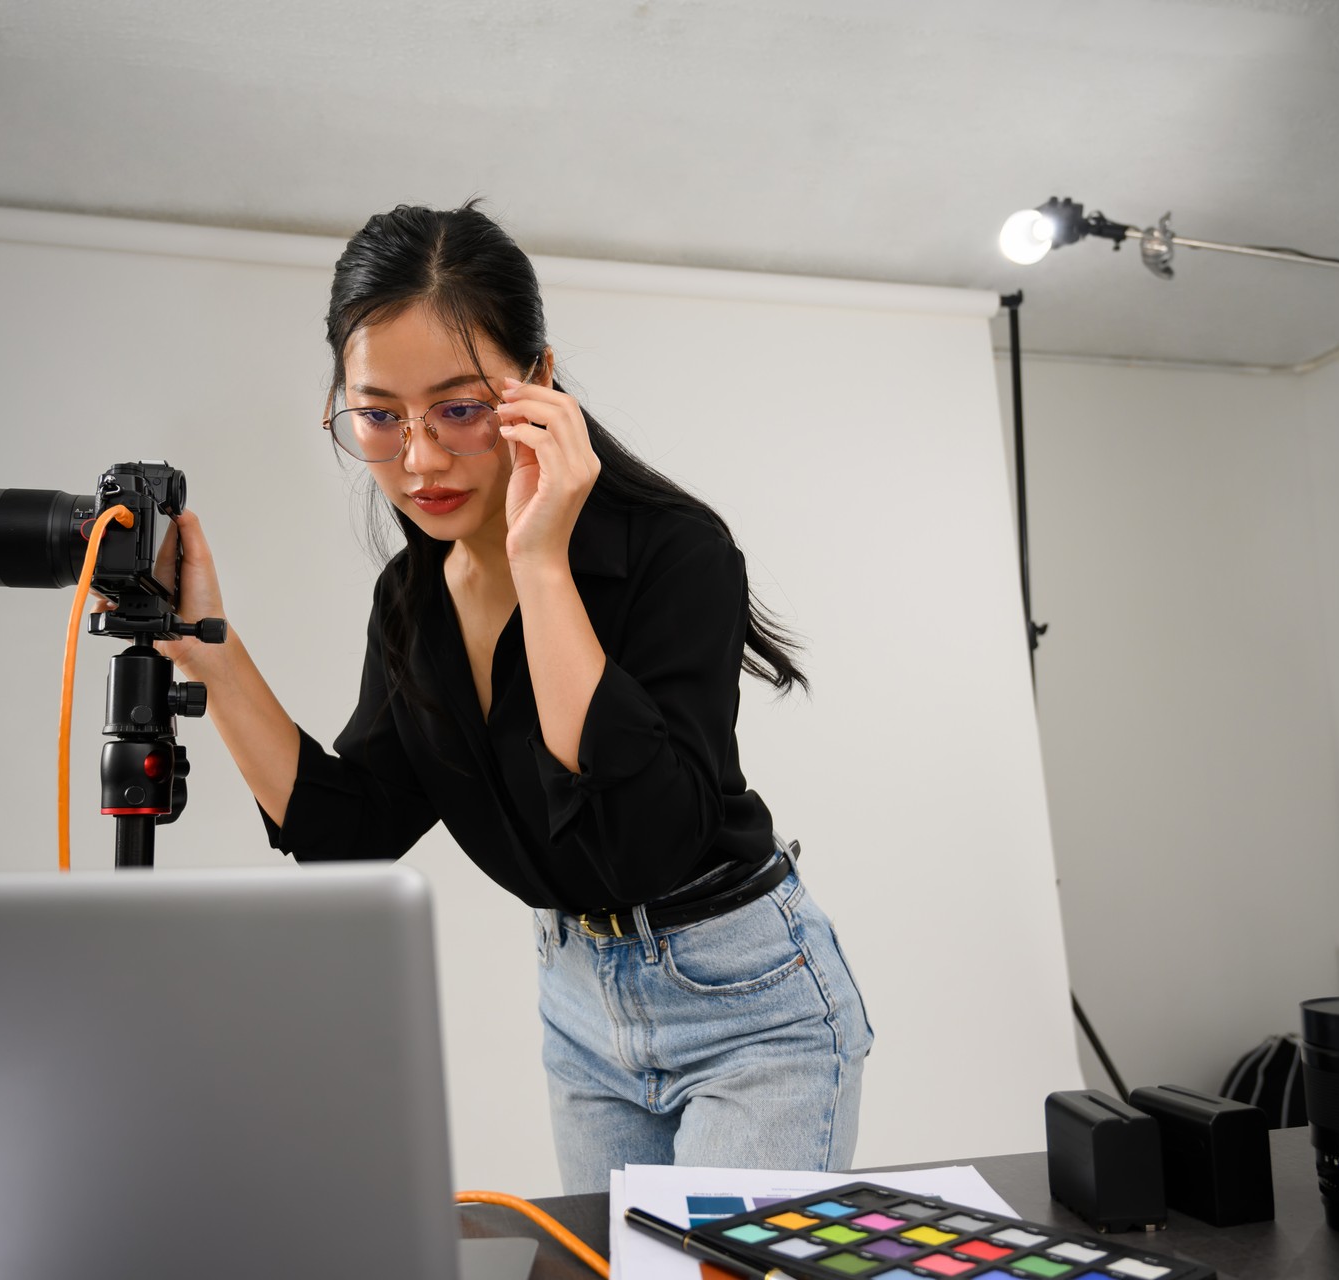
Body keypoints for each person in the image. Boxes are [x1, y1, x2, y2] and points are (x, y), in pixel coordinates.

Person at [156, 200, 874, 1194]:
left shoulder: (675, 552)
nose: (418, 459)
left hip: (748, 1002)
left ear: (539, 382)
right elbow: (346, 829)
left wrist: (541, 563)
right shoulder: (410, 601)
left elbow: (649, 840)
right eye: (378, 416)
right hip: (581, 1012)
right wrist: (211, 651)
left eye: (460, 408)